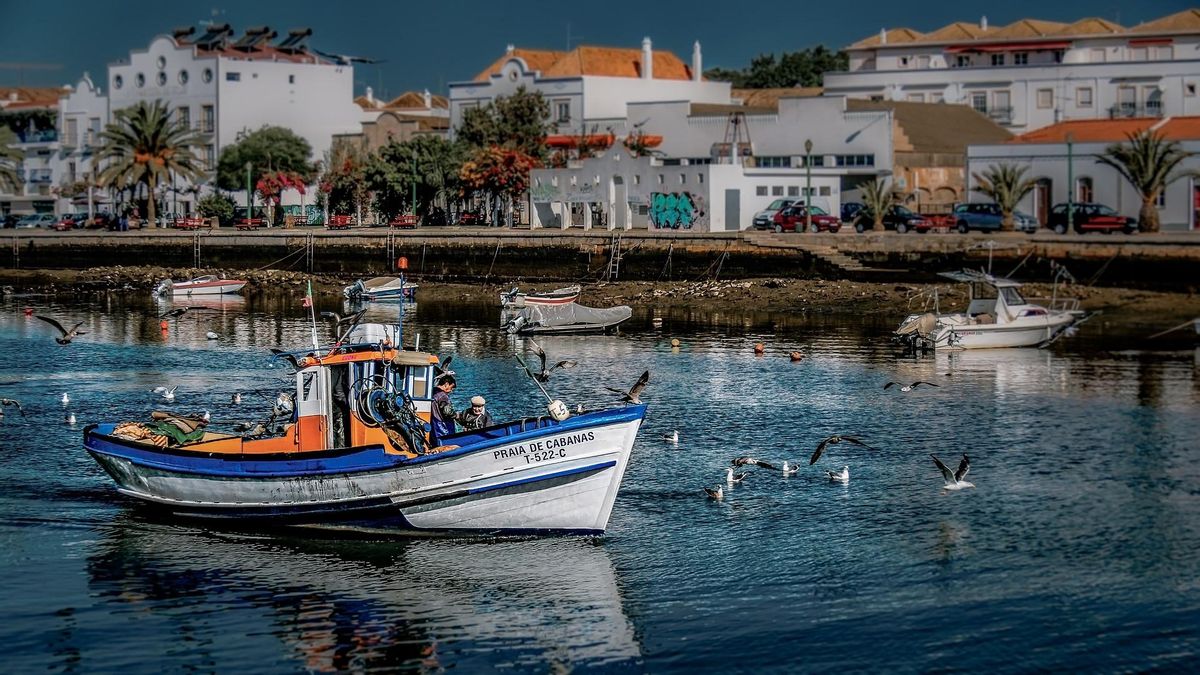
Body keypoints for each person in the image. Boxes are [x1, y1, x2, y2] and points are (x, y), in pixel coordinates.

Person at [430, 374, 458, 446]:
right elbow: (447, 411)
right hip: (442, 428)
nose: (451, 391)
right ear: (446, 384)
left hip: (433, 427)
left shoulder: (432, 392)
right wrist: (456, 415)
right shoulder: (443, 396)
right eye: (451, 388)